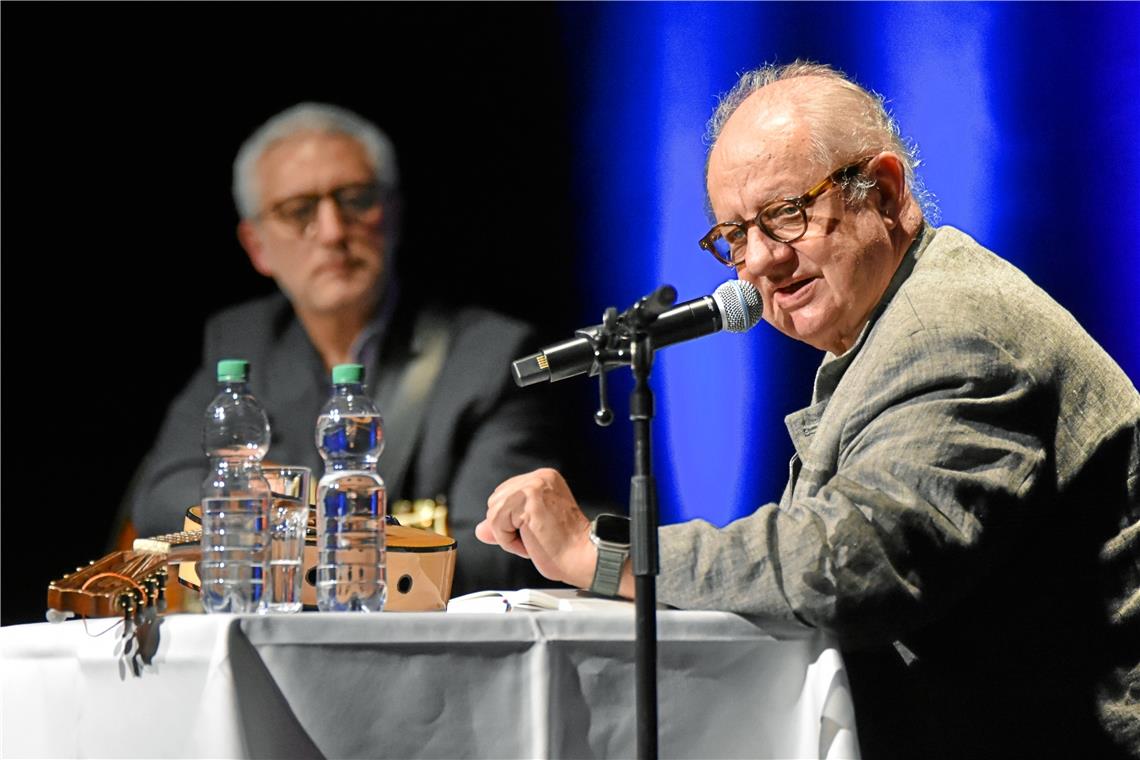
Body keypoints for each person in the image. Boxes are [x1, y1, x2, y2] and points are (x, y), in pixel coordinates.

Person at [477, 62, 1140, 758]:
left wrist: (600, 554)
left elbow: (845, 564)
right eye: (734, 235)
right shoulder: (884, 332)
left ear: (884, 192)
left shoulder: (952, 334)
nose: (758, 261)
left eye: (784, 215)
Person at [128, 102, 562, 596]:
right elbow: (160, 498)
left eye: (356, 200)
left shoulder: (487, 357)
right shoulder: (242, 341)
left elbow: (500, 553)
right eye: (299, 212)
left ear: (394, 213)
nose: (333, 232)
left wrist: (315, 540)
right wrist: (244, 498)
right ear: (256, 247)